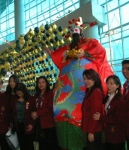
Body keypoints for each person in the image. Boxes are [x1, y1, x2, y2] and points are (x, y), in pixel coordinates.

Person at [45, 17, 113, 150]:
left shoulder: (91, 42)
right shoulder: (67, 48)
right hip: (66, 91)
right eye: (73, 31)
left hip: (81, 92)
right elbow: (59, 58)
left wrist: (85, 52)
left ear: (82, 31)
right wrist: (52, 54)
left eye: (77, 30)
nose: (75, 33)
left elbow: (101, 53)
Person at [93, 75, 126, 150]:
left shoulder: (120, 101)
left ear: (117, 85)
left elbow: (118, 119)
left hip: (117, 134)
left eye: (111, 84)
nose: (108, 86)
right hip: (110, 133)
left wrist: (101, 117)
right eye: (107, 83)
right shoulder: (108, 97)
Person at [31, 76, 58, 150]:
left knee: (50, 145)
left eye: (43, 82)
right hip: (39, 125)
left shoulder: (50, 94)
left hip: (48, 124)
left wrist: (37, 113)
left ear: (46, 83)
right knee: (42, 145)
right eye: (39, 83)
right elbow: (33, 107)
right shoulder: (36, 95)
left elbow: (49, 108)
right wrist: (33, 113)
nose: (41, 84)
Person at [82, 69, 104, 150]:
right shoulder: (89, 91)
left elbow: (95, 113)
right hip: (90, 128)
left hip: (94, 129)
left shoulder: (96, 92)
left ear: (94, 79)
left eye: (88, 79)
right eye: (84, 79)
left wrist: (91, 132)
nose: (86, 81)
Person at [12, 83, 35, 150]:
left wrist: (32, 124)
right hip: (18, 126)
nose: (18, 92)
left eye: (20, 90)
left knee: (29, 145)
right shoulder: (14, 100)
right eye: (17, 90)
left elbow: (34, 112)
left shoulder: (30, 99)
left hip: (28, 125)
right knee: (22, 145)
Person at [0, 74, 20, 150]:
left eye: (13, 81)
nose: (12, 83)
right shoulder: (6, 95)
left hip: (19, 121)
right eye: (10, 81)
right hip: (7, 122)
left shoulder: (20, 93)